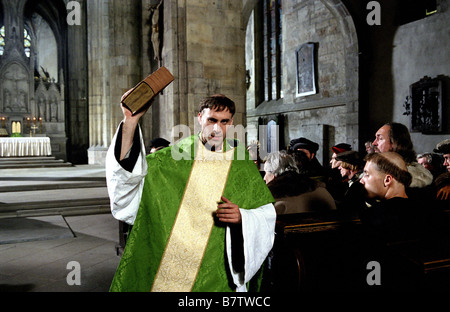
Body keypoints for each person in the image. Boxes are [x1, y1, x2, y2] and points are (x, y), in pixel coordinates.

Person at [106, 93, 276, 292]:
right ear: (199, 118)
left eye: (224, 121)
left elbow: (266, 213)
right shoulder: (172, 158)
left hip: (218, 265)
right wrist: (131, 120)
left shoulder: (241, 164)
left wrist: (242, 217)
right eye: (211, 119)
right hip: (173, 262)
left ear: (231, 123)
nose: (216, 128)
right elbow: (129, 173)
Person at [263, 151, 336, 214]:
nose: (264, 178)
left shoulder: (273, 203)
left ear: (274, 175)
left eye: (266, 173)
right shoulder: (321, 190)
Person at [372, 122, 433, 195]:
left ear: (395, 143)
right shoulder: (378, 169)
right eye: (375, 138)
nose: (374, 143)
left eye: (380, 138)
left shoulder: (413, 178)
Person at [334, 151, 366, 216]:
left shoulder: (360, 180)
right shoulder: (354, 179)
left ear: (349, 166)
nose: (339, 168)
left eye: (341, 165)